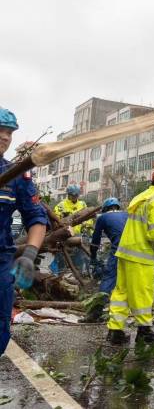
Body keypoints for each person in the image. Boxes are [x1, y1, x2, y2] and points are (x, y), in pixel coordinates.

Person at [106, 166, 154, 345]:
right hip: (140, 254)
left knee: (121, 292)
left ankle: (115, 331)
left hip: (124, 250)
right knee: (143, 293)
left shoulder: (141, 197)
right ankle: (145, 330)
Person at [0, 108, 47, 355]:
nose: (5, 137)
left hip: (1, 261)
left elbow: (36, 216)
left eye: (9, 132)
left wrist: (29, 254)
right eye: (0, 130)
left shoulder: (17, 176)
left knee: (0, 328)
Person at [83, 197, 127, 322]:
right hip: (138, 250)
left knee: (108, 278)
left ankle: (95, 313)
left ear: (105, 209)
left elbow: (95, 242)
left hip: (119, 249)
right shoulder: (127, 214)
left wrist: (93, 257)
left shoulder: (102, 218)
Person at [52, 184, 92, 274]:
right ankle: (61, 276)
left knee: (79, 258)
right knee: (62, 259)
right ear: (68, 195)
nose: (74, 197)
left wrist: (86, 226)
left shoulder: (82, 204)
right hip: (64, 237)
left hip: (78, 236)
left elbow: (89, 218)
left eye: (76, 195)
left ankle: (78, 277)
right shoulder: (61, 206)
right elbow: (55, 220)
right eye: (72, 195)